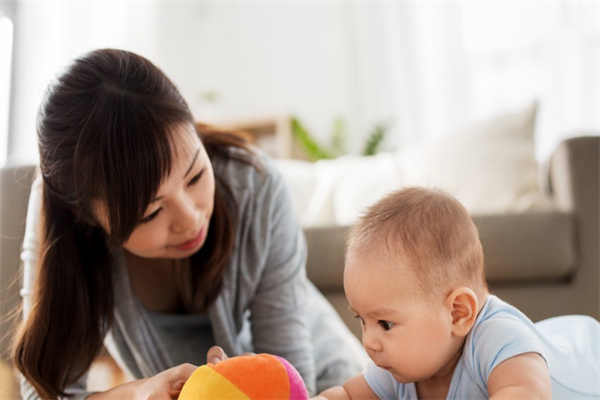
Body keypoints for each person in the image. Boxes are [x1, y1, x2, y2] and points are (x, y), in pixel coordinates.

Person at [11, 48, 366, 400]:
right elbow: (44, 392)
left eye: (195, 175)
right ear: (87, 216)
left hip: (334, 384)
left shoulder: (256, 186)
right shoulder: (61, 219)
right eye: (151, 213)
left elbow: (289, 376)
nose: (190, 218)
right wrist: (135, 393)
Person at [314, 187, 599, 400]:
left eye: (385, 324)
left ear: (458, 313)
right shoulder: (398, 367)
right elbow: (349, 396)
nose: (369, 343)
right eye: (362, 321)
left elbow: (528, 393)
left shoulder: (496, 338)